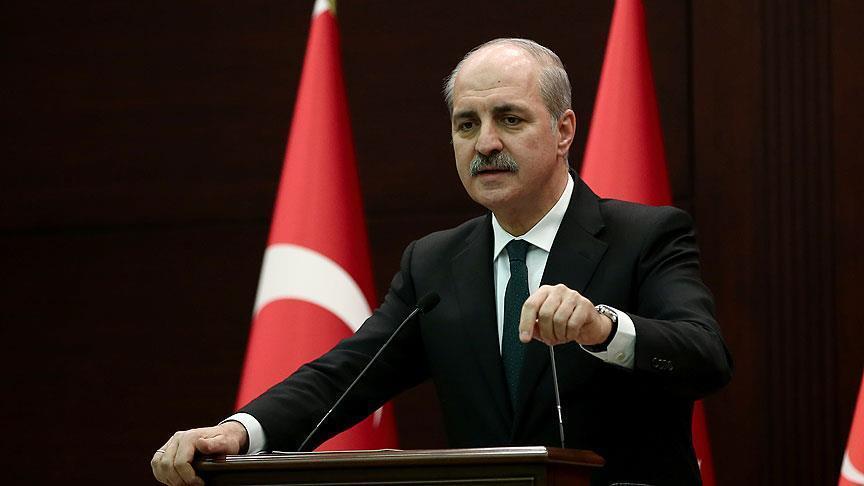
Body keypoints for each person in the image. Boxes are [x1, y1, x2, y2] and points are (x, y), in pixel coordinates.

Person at [152, 38, 732, 486]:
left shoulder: (644, 236)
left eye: (509, 118)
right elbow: (345, 376)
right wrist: (237, 432)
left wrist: (602, 328)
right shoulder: (435, 264)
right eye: (466, 124)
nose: (485, 143)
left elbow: (706, 356)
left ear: (563, 131)